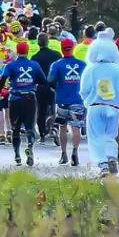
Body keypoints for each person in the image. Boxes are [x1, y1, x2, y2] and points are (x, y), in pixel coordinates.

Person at [79, 31, 119, 174]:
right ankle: (112, 157)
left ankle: (102, 164)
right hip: (113, 107)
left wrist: (86, 101)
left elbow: (84, 89)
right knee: (110, 136)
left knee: (96, 137)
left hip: (95, 107)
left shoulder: (90, 68)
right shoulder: (118, 69)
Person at [0, 41, 47, 166]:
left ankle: (17, 155)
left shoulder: (10, 65)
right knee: (29, 127)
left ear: (17, 51)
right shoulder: (34, 65)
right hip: (29, 98)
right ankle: (30, 147)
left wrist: (0, 91)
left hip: (15, 98)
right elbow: (43, 80)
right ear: (27, 51)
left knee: (15, 128)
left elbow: (2, 79)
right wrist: (33, 82)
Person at [46, 37, 87, 165]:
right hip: (77, 99)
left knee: (62, 126)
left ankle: (63, 153)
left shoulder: (57, 65)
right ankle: (75, 151)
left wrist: (56, 88)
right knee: (76, 127)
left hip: (62, 99)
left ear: (61, 48)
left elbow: (50, 80)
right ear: (73, 48)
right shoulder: (82, 64)